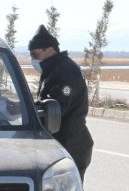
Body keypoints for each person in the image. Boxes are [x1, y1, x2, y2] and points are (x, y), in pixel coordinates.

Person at [29, 24, 94, 181]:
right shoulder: (53, 69)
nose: (33, 60)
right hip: (63, 142)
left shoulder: (65, 71)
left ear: (49, 50)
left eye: (35, 54)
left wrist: (28, 111)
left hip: (70, 144)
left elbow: (55, 109)